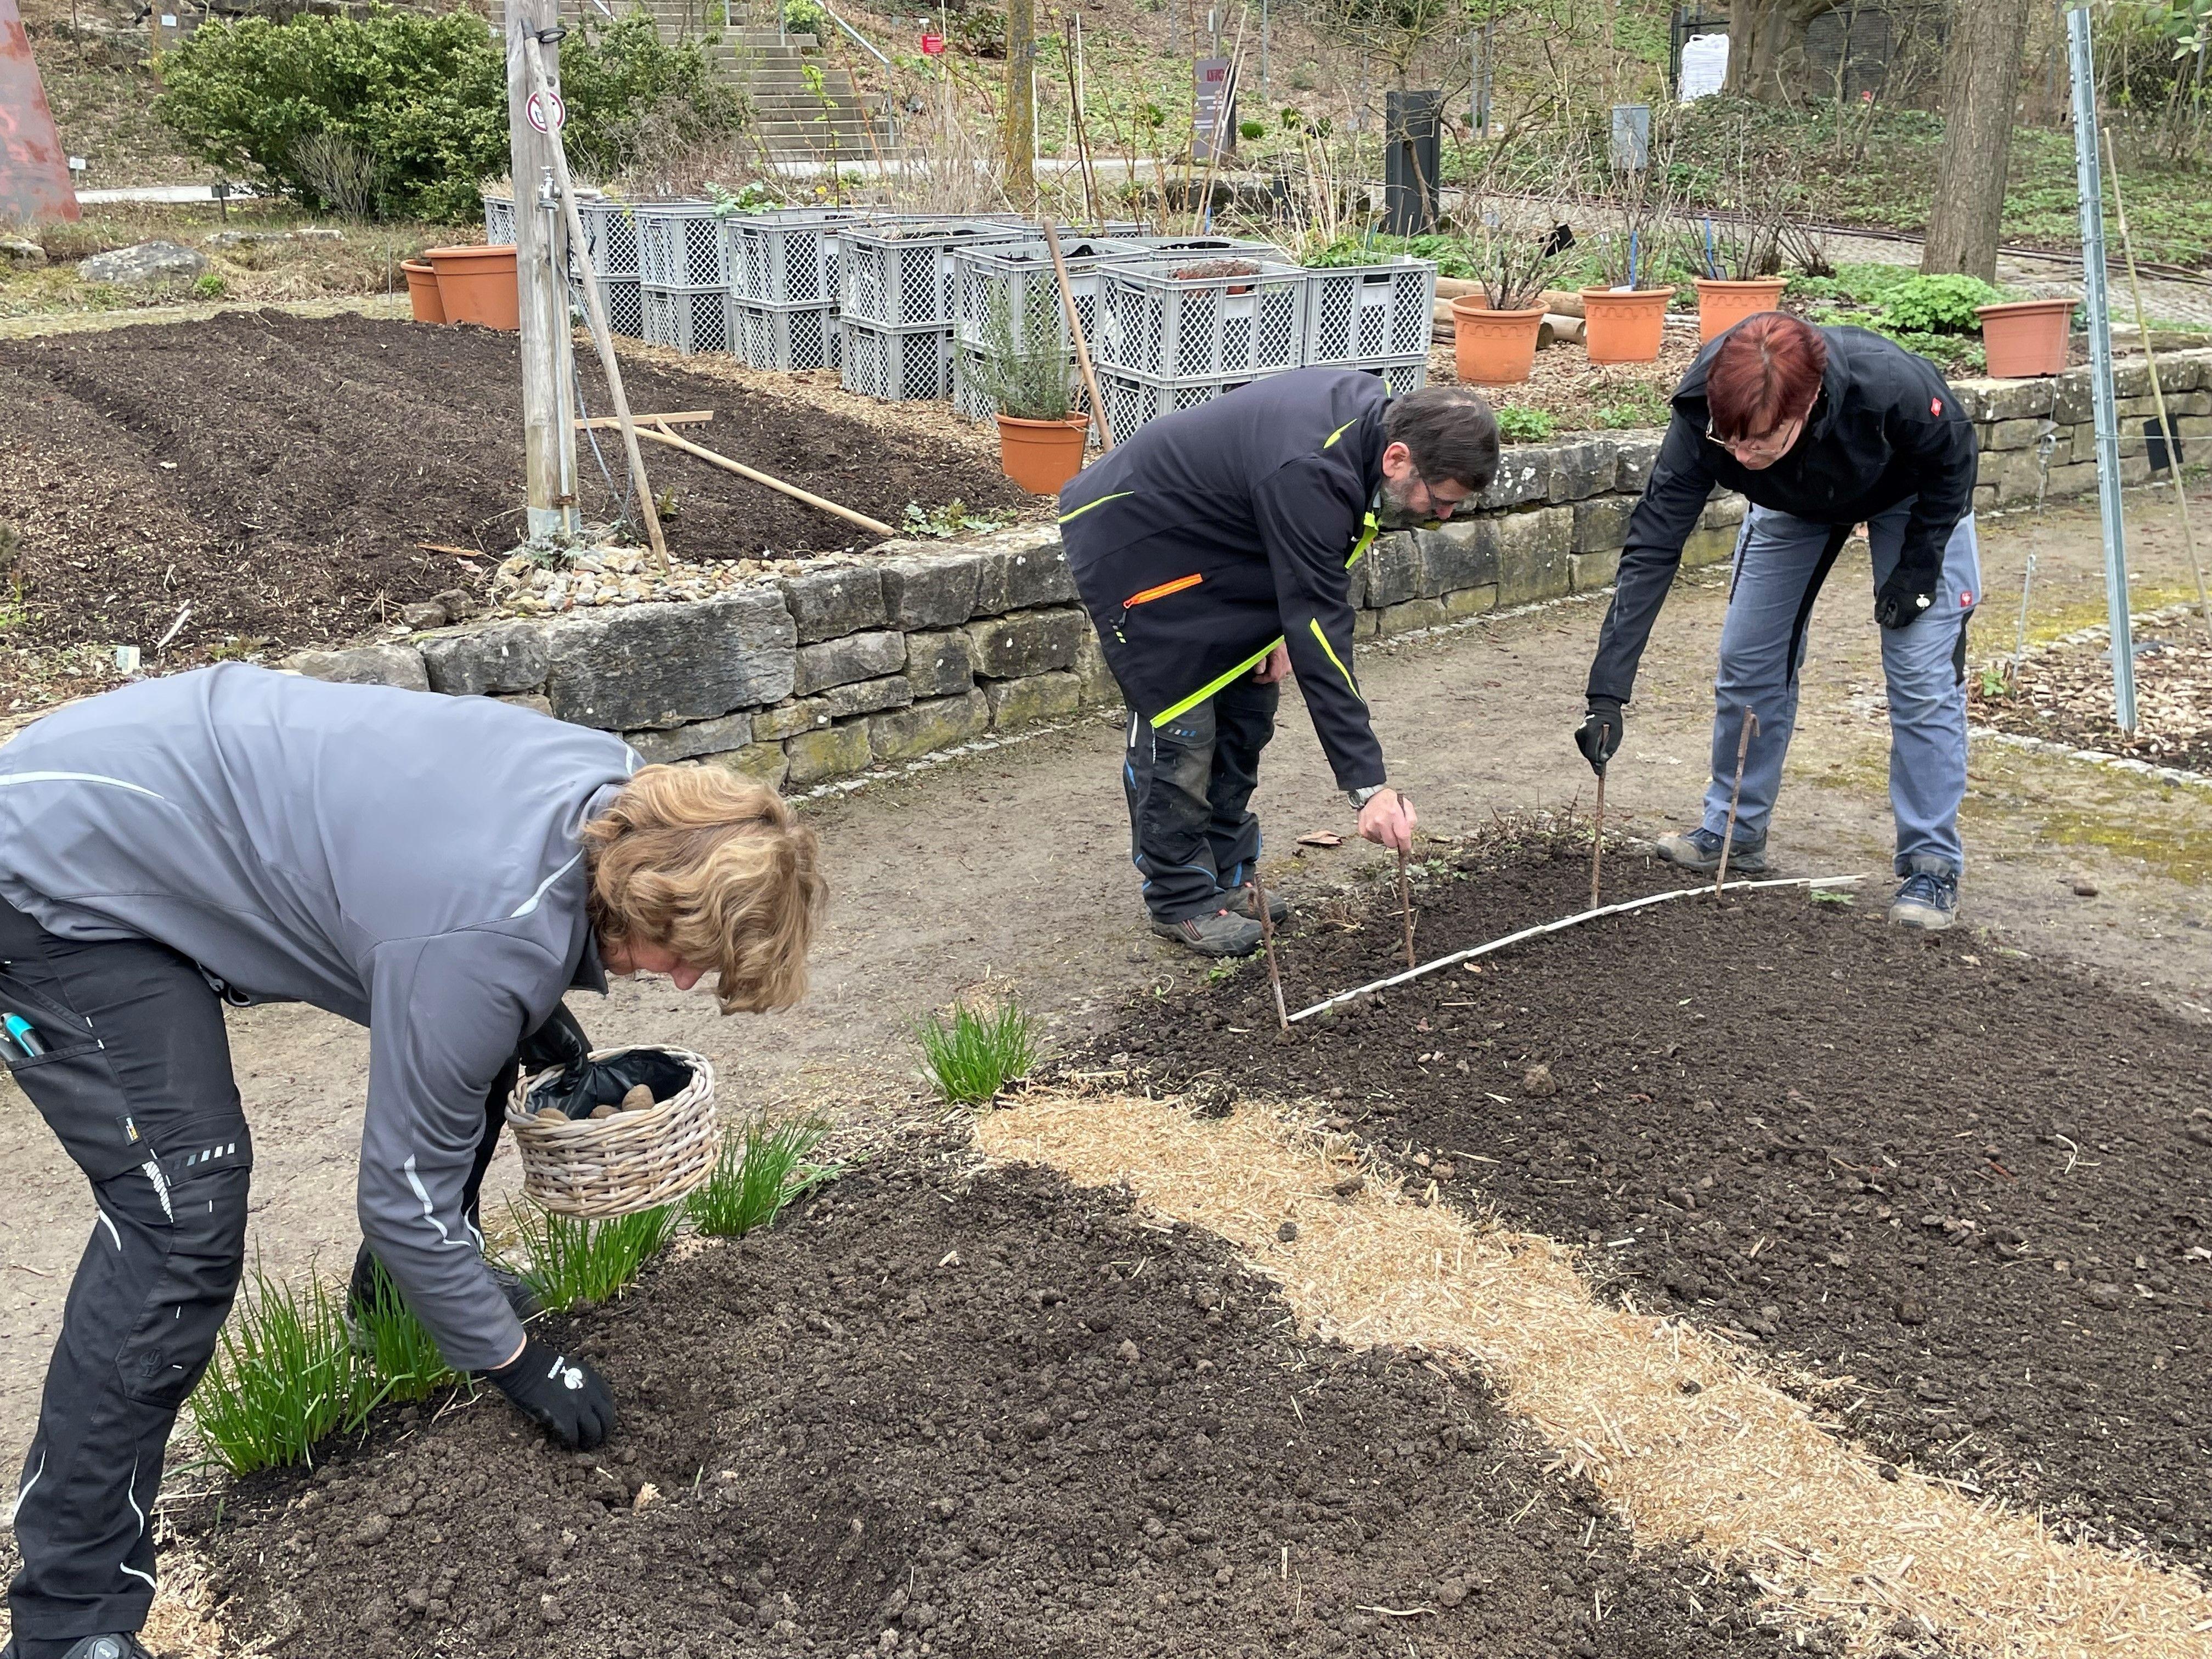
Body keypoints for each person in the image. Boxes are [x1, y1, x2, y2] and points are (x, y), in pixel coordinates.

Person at [0, 664, 823, 1659]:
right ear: (641, 894)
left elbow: (454, 928)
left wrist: (525, 1008)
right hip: (50, 871)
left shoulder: (610, 791)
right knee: (181, 1212)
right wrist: (521, 1362)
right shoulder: (487, 935)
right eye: (686, 953)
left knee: (487, 1038)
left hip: (147, 781)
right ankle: (69, 1614)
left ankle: (396, 1305)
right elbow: (400, 1187)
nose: (684, 980)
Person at [1059, 369, 1502, 956]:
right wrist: (1366, 787)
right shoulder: (1312, 468)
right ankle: (1180, 898)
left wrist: (1282, 623)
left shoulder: (1368, 433)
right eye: (1441, 500)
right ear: (1398, 459)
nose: (1442, 516)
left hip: (1224, 543)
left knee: (1247, 714)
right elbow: (1324, 628)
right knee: (1183, 731)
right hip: (1140, 547)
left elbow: (1307, 579)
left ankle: (1223, 875)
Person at [1573, 313, 1980, 930]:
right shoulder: (1703, 415)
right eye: (1729, 440)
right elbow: (1655, 543)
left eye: (1758, 439)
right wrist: (1607, 693)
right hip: (1789, 501)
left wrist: (1919, 570)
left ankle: (1931, 862)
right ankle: (1734, 830)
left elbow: (1953, 457)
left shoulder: (1889, 384)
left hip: (1911, 498)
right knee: (1748, 659)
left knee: (1920, 676)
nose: (1740, 454)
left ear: (1809, 403)